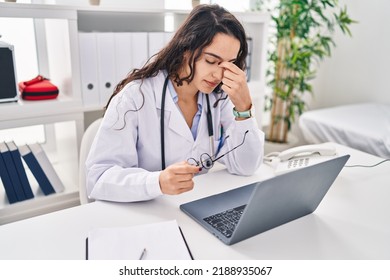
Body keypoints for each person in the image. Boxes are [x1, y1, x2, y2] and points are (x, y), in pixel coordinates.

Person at [85, 4, 265, 202]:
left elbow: (246, 166)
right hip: (144, 214)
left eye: (228, 64)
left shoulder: (218, 98)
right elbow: (98, 177)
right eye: (211, 61)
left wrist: (244, 108)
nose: (218, 74)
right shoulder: (136, 97)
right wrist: (157, 182)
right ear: (186, 49)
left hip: (194, 208)